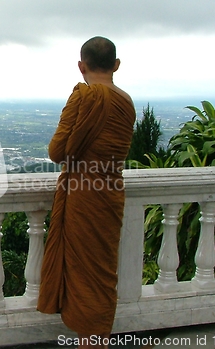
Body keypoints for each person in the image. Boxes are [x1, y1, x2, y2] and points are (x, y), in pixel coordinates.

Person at [37, 36, 136, 349]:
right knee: (101, 275)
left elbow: (56, 152)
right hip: (109, 194)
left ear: (81, 66)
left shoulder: (83, 96)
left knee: (85, 276)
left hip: (82, 195)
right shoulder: (126, 102)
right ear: (116, 66)